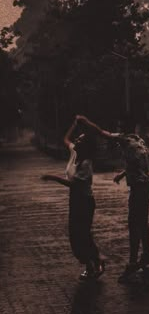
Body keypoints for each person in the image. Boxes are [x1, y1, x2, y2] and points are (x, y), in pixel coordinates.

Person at [75, 115, 149, 282]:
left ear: (123, 127)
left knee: (134, 224)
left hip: (140, 189)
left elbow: (101, 133)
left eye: (119, 125)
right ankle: (146, 253)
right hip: (146, 186)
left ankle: (132, 263)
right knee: (142, 222)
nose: (117, 128)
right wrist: (123, 174)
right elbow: (136, 163)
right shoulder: (137, 139)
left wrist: (85, 121)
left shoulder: (125, 139)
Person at [42, 119, 105, 281]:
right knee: (75, 235)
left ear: (86, 146)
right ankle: (89, 265)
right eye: (77, 138)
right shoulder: (75, 154)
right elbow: (66, 139)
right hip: (75, 201)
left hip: (84, 201)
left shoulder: (86, 164)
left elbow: (74, 185)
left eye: (81, 139)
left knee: (83, 235)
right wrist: (75, 125)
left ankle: (97, 262)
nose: (76, 140)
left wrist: (52, 177)